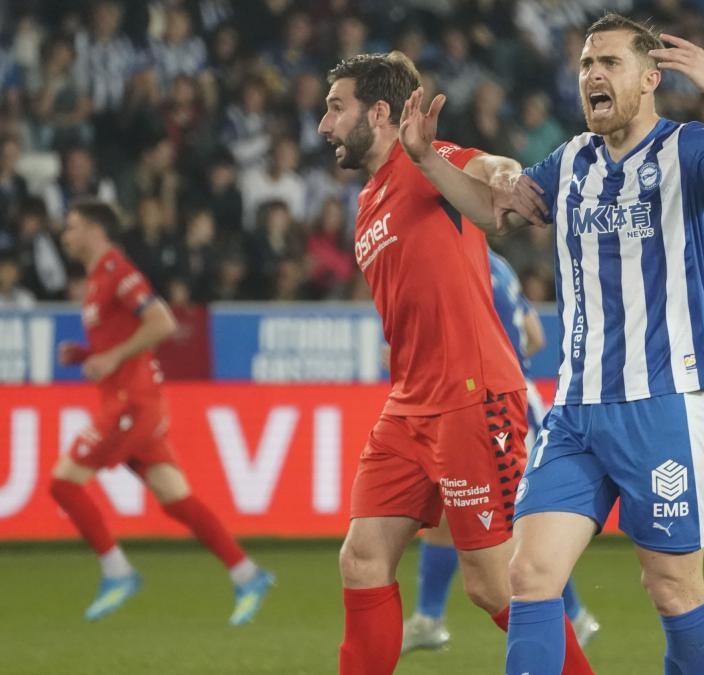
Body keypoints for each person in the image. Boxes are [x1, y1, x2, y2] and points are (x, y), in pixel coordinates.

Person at [397, 13, 704, 674]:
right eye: (585, 64)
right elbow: (495, 212)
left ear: (650, 77)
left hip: (660, 403)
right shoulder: (571, 160)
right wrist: (428, 159)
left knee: (672, 586)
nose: (593, 75)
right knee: (530, 574)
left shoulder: (686, 149)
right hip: (575, 409)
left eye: (609, 62)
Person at [317, 52, 593, 675]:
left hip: (473, 398)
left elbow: (489, 170)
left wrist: (506, 176)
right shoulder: (367, 201)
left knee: (495, 587)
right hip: (409, 404)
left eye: (336, 107)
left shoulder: (431, 165)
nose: (323, 124)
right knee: (361, 558)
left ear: (379, 113)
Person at [50, 199, 273, 624]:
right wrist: (86, 354)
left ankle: (117, 572)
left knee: (63, 483)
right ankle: (248, 574)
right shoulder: (98, 278)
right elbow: (124, 339)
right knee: (175, 498)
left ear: (96, 230)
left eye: (72, 226)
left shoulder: (118, 271)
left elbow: (163, 323)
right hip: (131, 401)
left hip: (131, 404)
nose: (66, 234)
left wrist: (111, 357)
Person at [403, 250, 601, 654]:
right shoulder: (498, 264)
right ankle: (428, 618)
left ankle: (574, 617)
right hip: (515, 393)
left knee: (523, 527)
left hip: (494, 405)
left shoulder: (448, 263)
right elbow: (536, 336)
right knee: (449, 507)